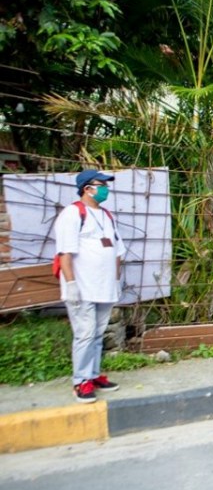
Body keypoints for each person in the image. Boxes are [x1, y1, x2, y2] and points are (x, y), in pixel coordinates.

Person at [55, 169, 125, 403]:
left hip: (104, 286)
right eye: (101, 184)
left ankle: (93, 375)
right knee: (84, 334)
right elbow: (65, 252)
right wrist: (71, 283)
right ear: (87, 188)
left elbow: (117, 250)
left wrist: (116, 280)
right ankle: (80, 381)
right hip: (82, 288)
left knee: (96, 333)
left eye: (106, 184)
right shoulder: (73, 214)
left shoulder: (106, 215)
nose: (105, 188)